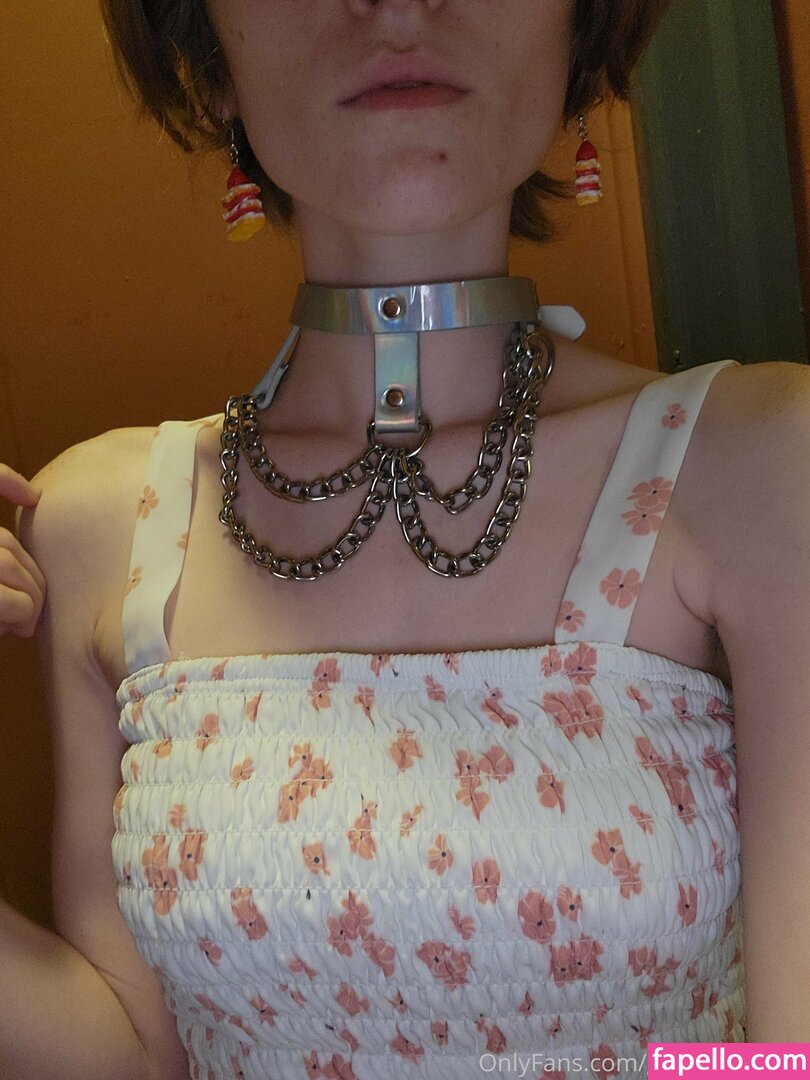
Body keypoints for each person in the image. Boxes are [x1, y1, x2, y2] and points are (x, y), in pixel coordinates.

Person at [3, 1, 810, 1077]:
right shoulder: (101, 525)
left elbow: (792, 1059)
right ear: (206, 52)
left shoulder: (761, 464)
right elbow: (136, 1057)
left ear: (579, 28)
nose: (393, 5)